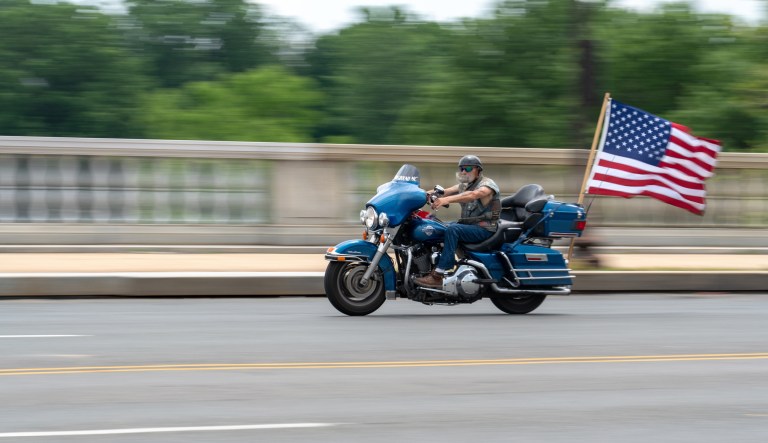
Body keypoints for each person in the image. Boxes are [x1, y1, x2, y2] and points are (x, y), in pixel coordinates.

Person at [414, 155, 501, 288]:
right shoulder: (465, 185)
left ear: (478, 170)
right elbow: (444, 192)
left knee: (452, 230)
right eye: (461, 168)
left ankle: (439, 274)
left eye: (468, 168)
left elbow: (473, 195)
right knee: (438, 227)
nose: (464, 171)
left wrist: (446, 200)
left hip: (484, 228)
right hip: (469, 226)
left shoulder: (487, 185)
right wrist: (416, 196)